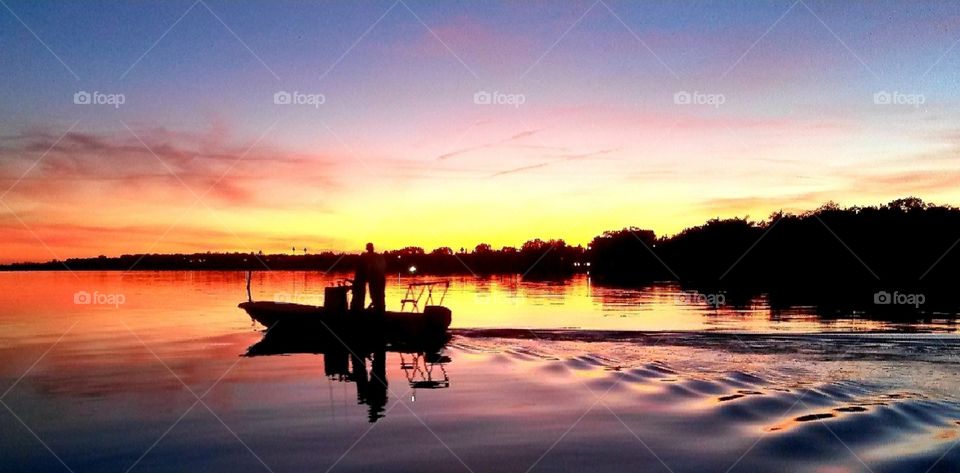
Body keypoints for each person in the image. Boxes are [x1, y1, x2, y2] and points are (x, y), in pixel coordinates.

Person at [364, 243, 387, 313]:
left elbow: (378, 267)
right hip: (376, 279)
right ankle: (379, 309)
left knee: (378, 295)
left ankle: (380, 310)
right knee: (376, 295)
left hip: (378, 279)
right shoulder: (371, 257)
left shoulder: (375, 257)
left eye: (368, 248)